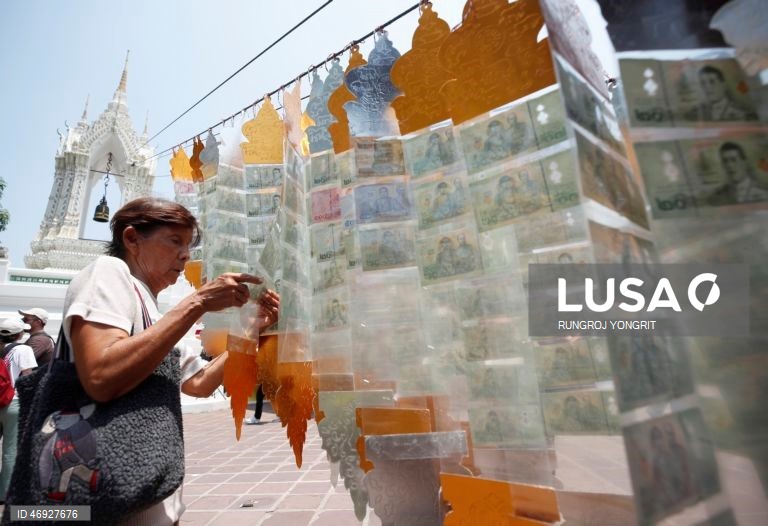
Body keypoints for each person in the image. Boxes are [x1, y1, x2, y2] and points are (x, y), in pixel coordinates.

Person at [57, 197, 279, 524]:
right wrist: (198, 301)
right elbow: (101, 377)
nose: (185, 254)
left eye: (189, 245)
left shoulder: (155, 311)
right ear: (132, 239)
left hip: (147, 506)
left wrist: (251, 329)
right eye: (175, 241)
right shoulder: (109, 273)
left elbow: (200, 383)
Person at [0, 318, 38, 502]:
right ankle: (6, 494)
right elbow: (28, 376)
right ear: (19, 334)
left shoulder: (2, 349)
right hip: (13, 403)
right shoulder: (24, 349)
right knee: (10, 450)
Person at [687, 65, 756, 122]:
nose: (707, 87)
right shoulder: (697, 113)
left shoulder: (742, 112)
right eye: (703, 83)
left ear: (723, 85)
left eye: (712, 82)